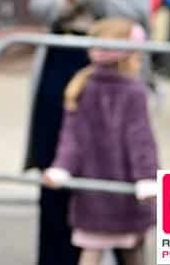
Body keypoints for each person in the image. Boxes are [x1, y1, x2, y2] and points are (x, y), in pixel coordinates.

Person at [26, 0, 150, 265]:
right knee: (55, 157)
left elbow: (137, 13)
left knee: (104, 157)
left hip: (107, 65)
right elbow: (38, 4)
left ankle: (108, 247)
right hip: (61, 56)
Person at [42, 18, 158, 265]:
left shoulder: (83, 85)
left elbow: (70, 138)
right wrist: (147, 177)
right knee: (132, 254)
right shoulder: (131, 91)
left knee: (93, 251)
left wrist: (62, 167)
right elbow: (141, 140)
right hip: (127, 194)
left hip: (94, 196)